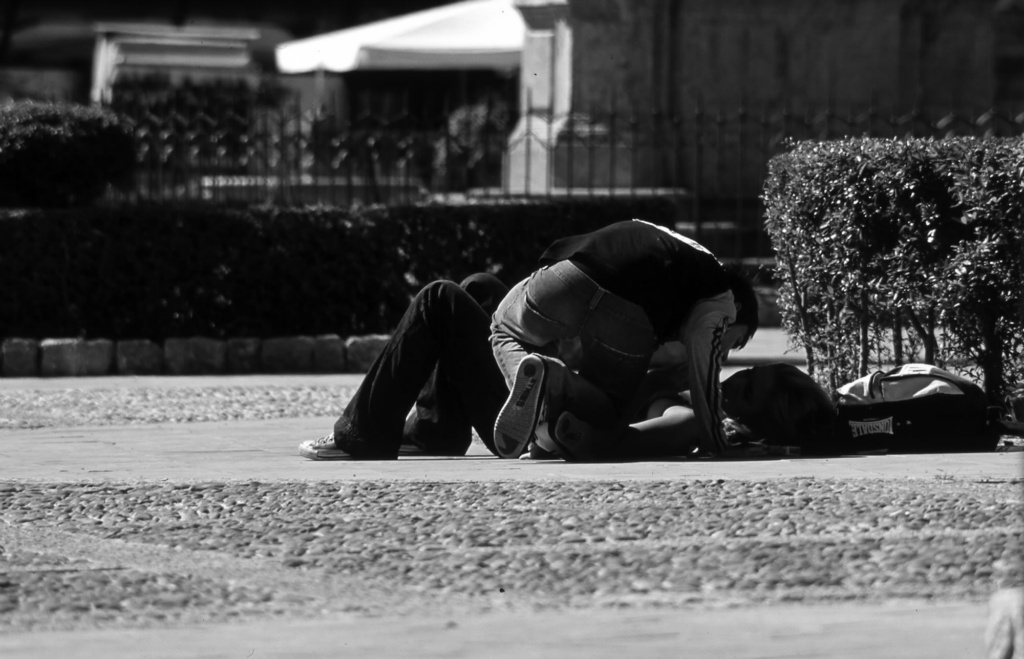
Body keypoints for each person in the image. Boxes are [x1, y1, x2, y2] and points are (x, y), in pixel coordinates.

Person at [490, 219, 759, 461]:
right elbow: (706, 358)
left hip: (568, 273)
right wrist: (718, 441)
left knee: (504, 327)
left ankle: (542, 402)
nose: (723, 355)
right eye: (734, 342)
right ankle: (552, 380)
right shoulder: (722, 296)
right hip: (628, 312)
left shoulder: (680, 253)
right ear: (736, 307)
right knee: (605, 416)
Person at [298, 273, 510, 460]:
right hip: (533, 389)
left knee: (437, 298)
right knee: (481, 286)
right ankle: (436, 429)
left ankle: (364, 433)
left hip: (528, 414)